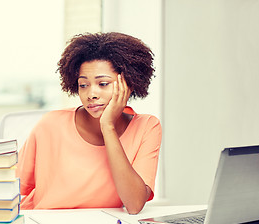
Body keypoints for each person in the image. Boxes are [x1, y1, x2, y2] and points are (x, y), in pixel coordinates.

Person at [16, 32, 162, 214]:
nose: (91, 94)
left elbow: (134, 204)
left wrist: (108, 127)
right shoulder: (50, 125)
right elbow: (15, 187)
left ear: (129, 84)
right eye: (83, 85)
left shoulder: (147, 127)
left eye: (103, 84)